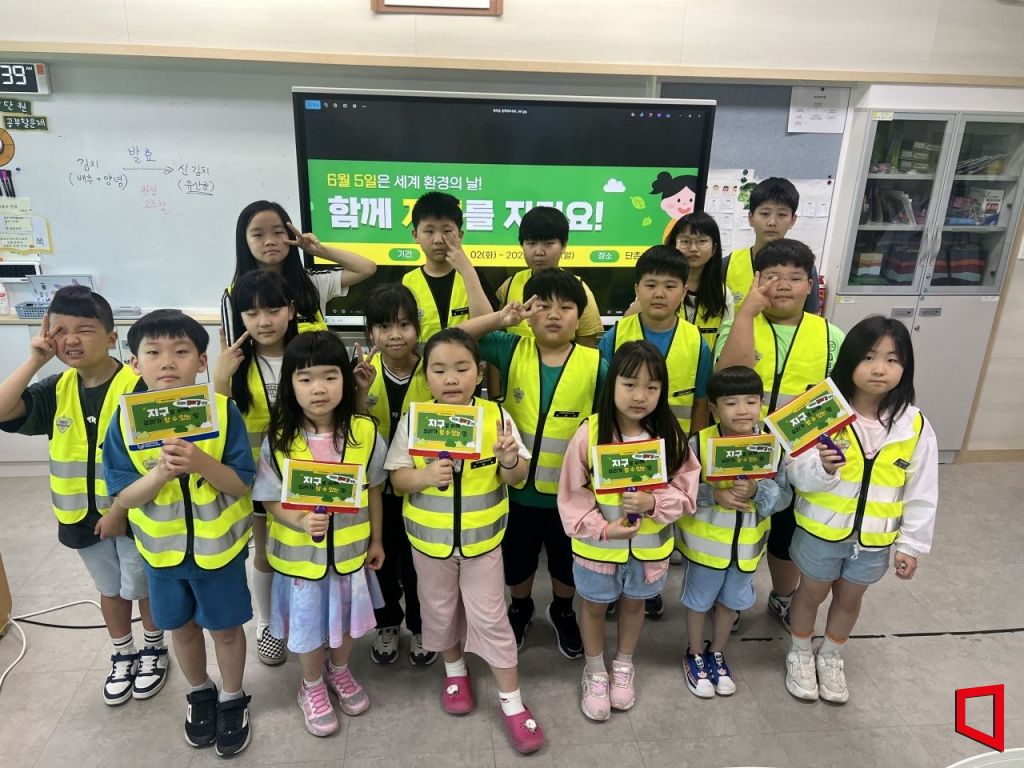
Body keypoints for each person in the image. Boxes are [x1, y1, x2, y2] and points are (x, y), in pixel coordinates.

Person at [0, 286, 167, 705]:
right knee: (109, 589)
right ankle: (123, 653)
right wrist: (35, 360)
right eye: (60, 331)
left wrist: (121, 510)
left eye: (84, 330)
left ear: (111, 337)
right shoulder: (56, 387)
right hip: (79, 517)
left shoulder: (139, 387)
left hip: (135, 517)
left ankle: (154, 649)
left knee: (144, 586)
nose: (70, 340)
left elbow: (155, 460)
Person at [103, 310, 255, 758]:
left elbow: (241, 484)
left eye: (181, 351)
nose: (167, 361)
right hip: (162, 555)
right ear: (134, 363)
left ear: (202, 361)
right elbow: (124, 494)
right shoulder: (124, 422)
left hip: (219, 552)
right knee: (182, 629)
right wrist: (159, 475)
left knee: (226, 629)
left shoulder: (224, 412)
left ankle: (232, 696)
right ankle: (200, 691)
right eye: (153, 352)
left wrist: (201, 462)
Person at [385, 328, 545, 754]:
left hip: (483, 544)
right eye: (439, 370)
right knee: (438, 611)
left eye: (462, 368)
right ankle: (455, 672)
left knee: (491, 617)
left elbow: (517, 477)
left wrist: (508, 459)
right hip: (429, 545)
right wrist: (424, 476)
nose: (451, 378)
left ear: (479, 371)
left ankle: (511, 701)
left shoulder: (497, 416)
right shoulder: (415, 420)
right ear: (427, 376)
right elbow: (398, 480)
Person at [784, 316, 937, 704]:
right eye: (868, 357)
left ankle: (830, 655)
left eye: (892, 359)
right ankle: (799, 652)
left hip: (874, 538)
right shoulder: (821, 410)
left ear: (905, 367)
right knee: (811, 593)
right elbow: (795, 472)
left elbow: (922, 490)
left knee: (850, 599)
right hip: (820, 530)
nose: (880, 368)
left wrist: (911, 545)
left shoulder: (914, 425)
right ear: (850, 360)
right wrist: (822, 469)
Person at [458, 268, 607, 658]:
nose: (554, 314)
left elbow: (609, 423)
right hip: (516, 488)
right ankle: (520, 607)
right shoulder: (511, 348)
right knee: (518, 561)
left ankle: (562, 610)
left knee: (565, 562)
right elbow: (455, 340)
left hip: (571, 494)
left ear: (580, 316)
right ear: (528, 311)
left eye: (566, 307)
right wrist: (501, 318)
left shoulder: (596, 364)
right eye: (543, 306)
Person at [251, 332, 386, 735]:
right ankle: (311, 685)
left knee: (346, 622)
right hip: (300, 564)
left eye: (330, 376)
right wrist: (298, 521)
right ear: (290, 385)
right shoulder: (278, 439)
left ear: (346, 379)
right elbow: (268, 498)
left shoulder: (364, 432)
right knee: (308, 627)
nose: (319, 388)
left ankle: (339, 670)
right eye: (305, 378)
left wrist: (377, 540)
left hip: (350, 556)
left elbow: (374, 489)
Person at [558, 340, 698, 722]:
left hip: (648, 551)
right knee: (593, 606)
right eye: (630, 384)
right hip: (597, 550)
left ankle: (623, 664)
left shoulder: (670, 436)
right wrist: (604, 528)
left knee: (635, 604)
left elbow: (687, 490)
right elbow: (571, 494)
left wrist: (654, 503)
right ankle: (595, 670)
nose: (640, 396)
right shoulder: (590, 433)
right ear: (613, 385)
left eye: (652, 387)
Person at [715, 238, 845, 628]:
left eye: (795, 277)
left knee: (786, 531)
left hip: (801, 456)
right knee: (738, 526)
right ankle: (730, 600)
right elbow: (728, 376)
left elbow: (841, 399)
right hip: (744, 450)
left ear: (810, 285)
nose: (784, 285)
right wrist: (745, 314)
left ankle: (782, 596)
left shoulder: (831, 335)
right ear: (757, 281)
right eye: (773, 276)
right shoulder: (740, 323)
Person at [678, 366, 790, 698]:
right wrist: (716, 495)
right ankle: (694, 653)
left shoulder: (772, 445)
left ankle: (716, 652)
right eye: (731, 403)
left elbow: (784, 497)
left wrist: (757, 491)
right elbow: (681, 491)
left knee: (730, 604)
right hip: (705, 549)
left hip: (746, 549)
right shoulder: (698, 443)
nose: (742, 410)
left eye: (751, 401)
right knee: (699, 603)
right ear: (714, 408)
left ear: (761, 404)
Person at [213, 269, 298, 666]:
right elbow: (217, 421)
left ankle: (304, 617)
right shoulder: (235, 363)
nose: (263, 321)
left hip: (304, 474)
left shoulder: (306, 353)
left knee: (303, 548)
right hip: (257, 478)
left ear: (291, 310)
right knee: (263, 553)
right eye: (251, 313)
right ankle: (268, 624)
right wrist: (220, 380)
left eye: (273, 310)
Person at [360, 283, 436, 667]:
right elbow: (352, 430)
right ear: (370, 332)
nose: (395, 335)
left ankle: (423, 626)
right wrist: (358, 393)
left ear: (417, 329)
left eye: (404, 325)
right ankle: (387, 622)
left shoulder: (432, 371)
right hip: (376, 493)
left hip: (422, 489)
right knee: (381, 560)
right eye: (384, 326)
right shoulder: (362, 373)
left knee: (420, 564)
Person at [222, 200, 377, 334]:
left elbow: (366, 268)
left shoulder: (312, 282)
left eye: (278, 232)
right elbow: (234, 351)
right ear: (244, 241)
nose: (270, 241)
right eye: (258, 235)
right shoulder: (234, 295)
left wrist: (318, 250)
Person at [495, 206, 603, 345]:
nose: (539, 252)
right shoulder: (509, 285)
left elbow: (587, 345)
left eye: (549, 243)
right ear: (522, 245)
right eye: (531, 243)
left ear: (564, 246)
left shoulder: (578, 288)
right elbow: (497, 334)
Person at [400, 192, 492, 343]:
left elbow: (488, 327)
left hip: (467, 357)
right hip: (422, 359)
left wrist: (467, 271)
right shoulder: (405, 283)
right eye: (429, 231)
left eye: (447, 231)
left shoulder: (474, 277)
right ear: (415, 235)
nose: (438, 240)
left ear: (460, 235)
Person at [723, 177, 819, 312]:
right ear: (751, 218)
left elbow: (810, 316)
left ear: (792, 220)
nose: (772, 222)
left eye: (782, 214)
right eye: (765, 213)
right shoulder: (727, 264)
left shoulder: (803, 267)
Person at [666, 212, 734, 353]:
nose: (693, 249)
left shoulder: (722, 294)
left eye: (702, 241)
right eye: (685, 241)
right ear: (673, 246)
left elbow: (724, 343)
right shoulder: (659, 287)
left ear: (714, 249)